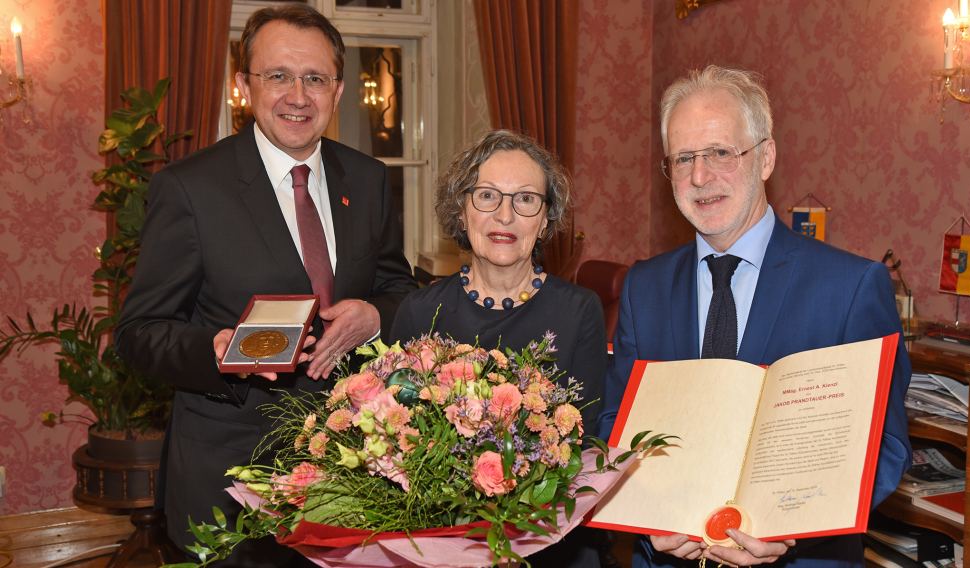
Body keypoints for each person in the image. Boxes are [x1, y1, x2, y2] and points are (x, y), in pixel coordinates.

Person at [115, 5, 416, 565]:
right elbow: (138, 334)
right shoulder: (190, 189)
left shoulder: (369, 179)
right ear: (243, 86)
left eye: (315, 78)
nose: (297, 96)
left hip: (352, 472)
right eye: (277, 76)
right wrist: (213, 351)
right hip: (228, 481)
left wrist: (375, 316)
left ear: (339, 88)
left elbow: (399, 288)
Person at [598, 65, 912, 568]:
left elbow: (885, 448)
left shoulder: (850, 287)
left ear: (765, 157)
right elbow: (616, 423)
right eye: (683, 159)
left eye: (721, 152)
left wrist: (790, 530)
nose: (700, 177)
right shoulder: (644, 287)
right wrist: (648, 516)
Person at [390, 130, 609, 567]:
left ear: (545, 220)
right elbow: (395, 447)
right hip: (439, 543)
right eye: (487, 196)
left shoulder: (579, 311)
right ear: (462, 209)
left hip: (550, 543)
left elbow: (585, 445)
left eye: (526, 199)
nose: (505, 215)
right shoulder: (418, 312)